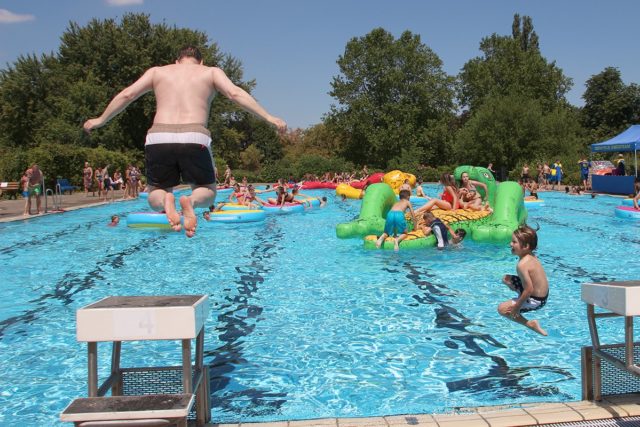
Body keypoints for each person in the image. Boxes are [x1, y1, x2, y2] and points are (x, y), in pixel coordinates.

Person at [83, 46, 286, 237]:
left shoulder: (157, 72)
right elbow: (234, 93)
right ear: (201, 61)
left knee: (156, 195)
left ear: (176, 61)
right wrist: (269, 117)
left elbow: (128, 94)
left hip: (158, 137)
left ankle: (166, 200)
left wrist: (100, 119)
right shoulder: (211, 72)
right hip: (194, 135)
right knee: (207, 191)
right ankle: (190, 201)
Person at [497, 225, 548, 336]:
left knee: (502, 309)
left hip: (536, 300)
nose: (510, 244)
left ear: (525, 246)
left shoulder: (522, 265)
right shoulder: (530, 256)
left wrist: (516, 307)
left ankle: (530, 324)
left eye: (514, 242)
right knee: (506, 279)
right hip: (541, 294)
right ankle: (520, 296)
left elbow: (529, 289)